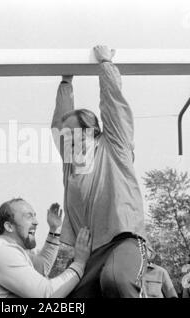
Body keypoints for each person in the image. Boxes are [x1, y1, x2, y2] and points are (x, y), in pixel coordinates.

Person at [51, 45, 146, 298]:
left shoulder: (113, 144)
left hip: (123, 240)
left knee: (116, 280)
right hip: (91, 252)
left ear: (92, 130)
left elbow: (113, 104)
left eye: (72, 131)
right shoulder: (70, 162)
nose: (66, 137)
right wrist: (65, 83)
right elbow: (57, 122)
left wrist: (105, 64)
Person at [0, 199, 91, 298]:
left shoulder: (9, 250)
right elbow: (47, 294)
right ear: (9, 226)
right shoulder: (2, 253)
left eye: (34, 216)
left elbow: (43, 266)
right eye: (29, 216)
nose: (36, 222)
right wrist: (79, 263)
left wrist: (54, 230)